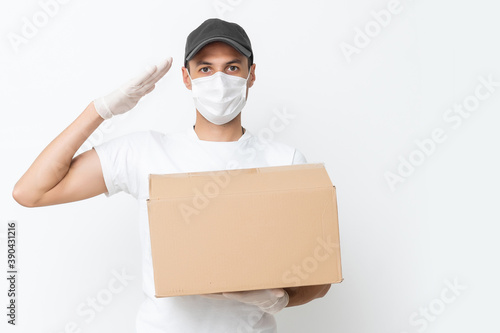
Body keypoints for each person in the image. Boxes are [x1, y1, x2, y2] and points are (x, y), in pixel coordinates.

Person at [12, 18, 331, 332]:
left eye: (232, 67)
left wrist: (279, 299)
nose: (219, 79)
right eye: (205, 68)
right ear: (187, 77)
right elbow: (31, 192)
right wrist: (102, 110)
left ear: (251, 74)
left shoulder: (284, 161)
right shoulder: (145, 152)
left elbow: (320, 279)